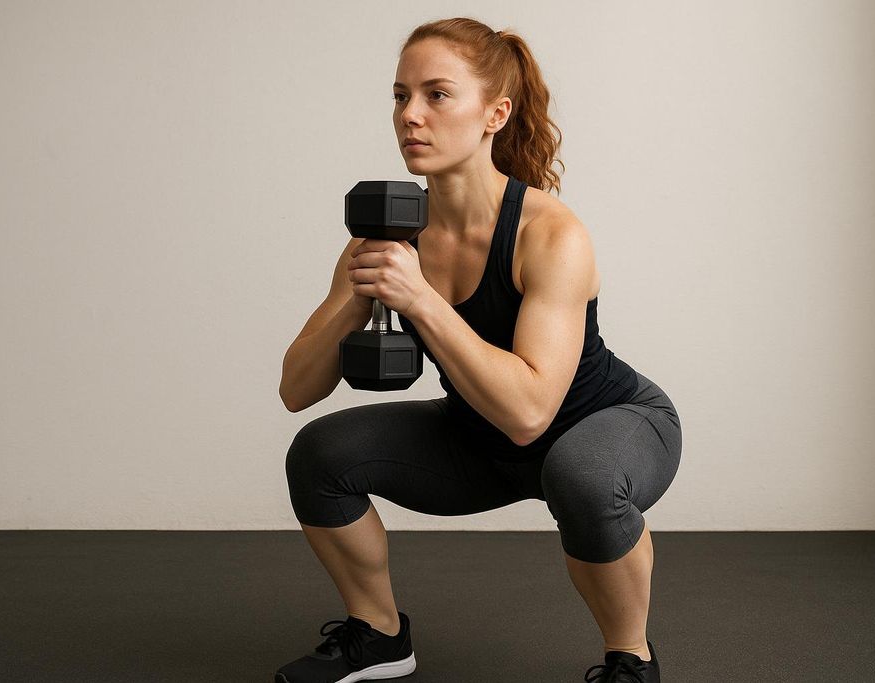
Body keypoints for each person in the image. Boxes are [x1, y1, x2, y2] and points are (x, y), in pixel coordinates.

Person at [275, 17, 681, 683]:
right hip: (480, 438)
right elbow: (296, 389)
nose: (411, 115)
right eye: (400, 95)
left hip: (604, 426)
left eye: (437, 95)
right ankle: (378, 633)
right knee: (319, 454)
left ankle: (630, 657)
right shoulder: (388, 236)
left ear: (496, 113)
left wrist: (421, 299)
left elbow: (530, 412)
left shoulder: (551, 233)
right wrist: (361, 290)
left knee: (582, 478)